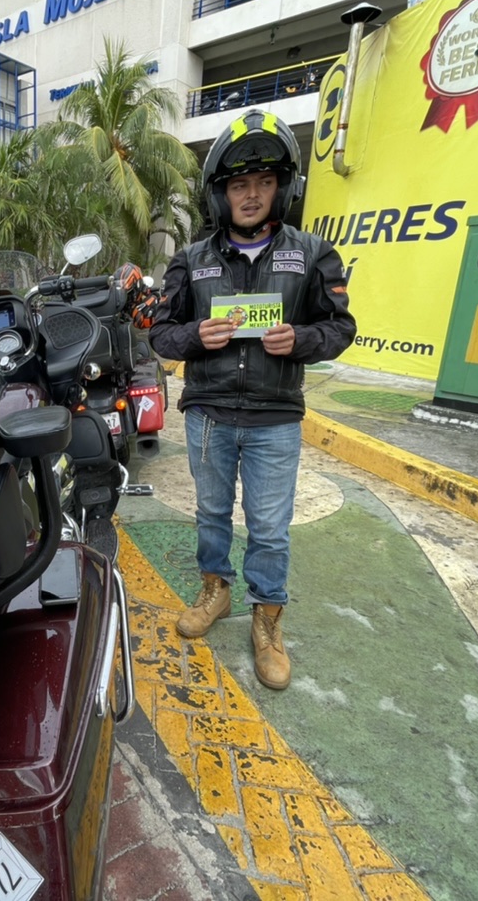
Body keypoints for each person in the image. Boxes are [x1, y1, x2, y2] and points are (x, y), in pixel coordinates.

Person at [148, 108, 356, 691]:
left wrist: (302, 340)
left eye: (265, 182)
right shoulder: (191, 260)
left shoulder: (312, 254)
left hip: (274, 419)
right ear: (221, 193)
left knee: (268, 526)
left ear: (282, 188)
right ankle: (215, 590)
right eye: (239, 184)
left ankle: (267, 620)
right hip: (209, 415)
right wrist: (195, 336)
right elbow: (160, 333)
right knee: (211, 512)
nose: (252, 195)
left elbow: (341, 327)